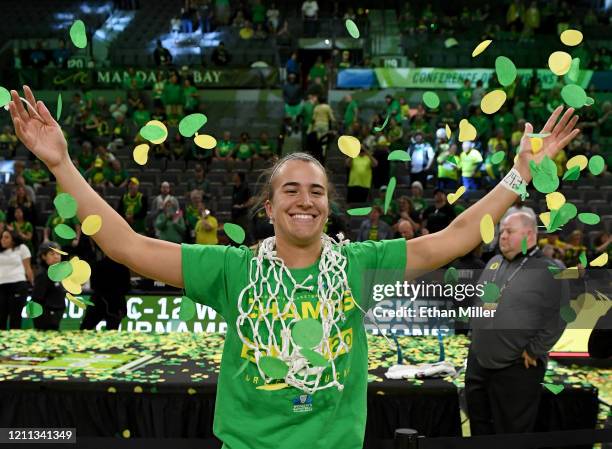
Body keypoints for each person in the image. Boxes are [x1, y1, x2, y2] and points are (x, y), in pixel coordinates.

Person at [8, 86, 580, 449]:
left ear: (329, 206)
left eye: (316, 191)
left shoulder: (362, 264)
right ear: (269, 206)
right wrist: (60, 164)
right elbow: (127, 244)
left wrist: (520, 177)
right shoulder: (232, 270)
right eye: (291, 190)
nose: (304, 200)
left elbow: (456, 236)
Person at [466, 212, 569, 435]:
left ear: (529, 234)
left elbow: (560, 315)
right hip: (479, 364)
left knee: (511, 435)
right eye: (501, 231)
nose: (502, 236)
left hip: (518, 369)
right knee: (479, 429)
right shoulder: (493, 262)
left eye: (509, 231)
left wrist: (534, 350)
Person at [0, 229, 33, 329]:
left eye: (6, 237)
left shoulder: (22, 248)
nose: (3, 240)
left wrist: (32, 284)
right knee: (1, 317)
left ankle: (14, 343)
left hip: (18, 285)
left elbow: (28, 268)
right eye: (2, 237)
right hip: (1, 286)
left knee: (15, 318)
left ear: (13, 239)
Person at [32, 242, 66, 330]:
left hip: (56, 314)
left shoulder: (58, 273)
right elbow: (37, 299)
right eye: (52, 254)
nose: (56, 256)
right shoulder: (43, 275)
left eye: (58, 253)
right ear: (43, 256)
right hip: (46, 318)